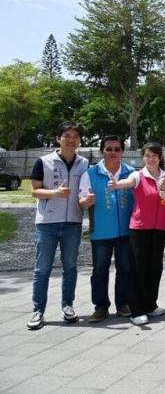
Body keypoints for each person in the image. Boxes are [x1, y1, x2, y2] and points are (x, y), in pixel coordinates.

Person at [27, 121, 89, 330]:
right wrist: (54, 193)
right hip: (47, 223)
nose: (71, 140)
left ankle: (67, 306)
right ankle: (38, 310)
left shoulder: (84, 164)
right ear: (58, 138)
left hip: (73, 222)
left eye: (75, 136)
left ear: (80, 140)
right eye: (67, 136)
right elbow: (35, 191)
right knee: (42, 269)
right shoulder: (43, 161)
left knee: (70, 267)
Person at [109, 142, 165, 326]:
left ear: (160, 157)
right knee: (138, 268)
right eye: (147, 155)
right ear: (143, 158)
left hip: (160, 228)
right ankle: (136, 309)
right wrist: (116, 184)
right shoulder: (138, 175)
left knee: (155, 268)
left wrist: (162, 187)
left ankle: (150, 304)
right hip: (139, 228)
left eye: (154, 155)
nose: (151, 158)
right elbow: (128, 183)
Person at [78, 135, 134, 322]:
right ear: (102, 150)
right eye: (109, 149)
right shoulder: (90, 174)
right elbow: (82, 202)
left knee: (125, 268)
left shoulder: (131, 172)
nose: (113, 153)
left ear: (122, 152)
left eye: (117, 149)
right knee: (100, 269)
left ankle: (123, 302)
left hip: (126, 232)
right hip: (100, 232)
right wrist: (86, 201)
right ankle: (101, 306)